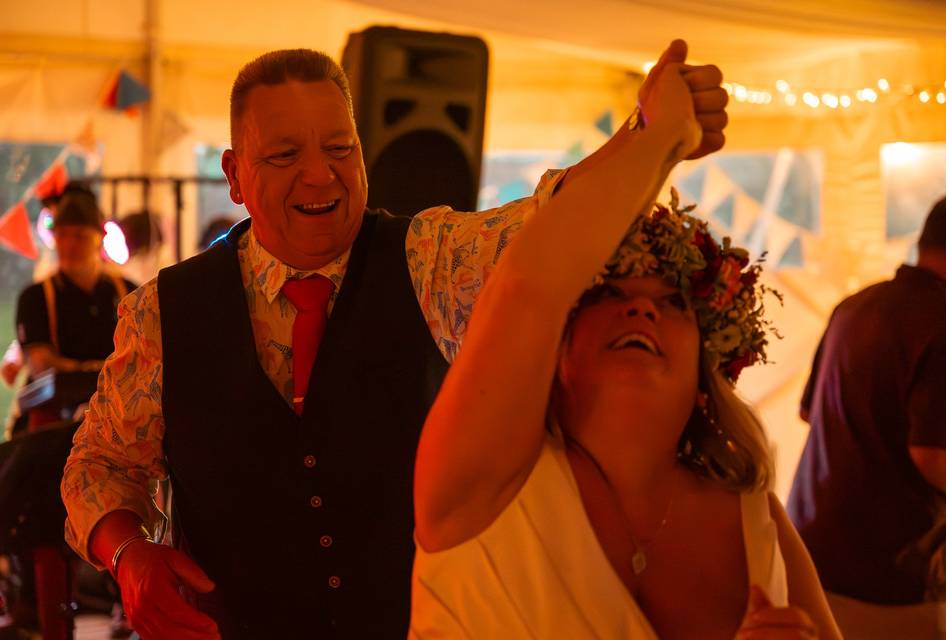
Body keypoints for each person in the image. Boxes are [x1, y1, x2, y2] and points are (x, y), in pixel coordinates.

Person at [61, 41, 729, 639]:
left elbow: (547, 224)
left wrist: (650, 139)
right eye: (286, 155)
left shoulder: (430, 259)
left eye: (340, 148)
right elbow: (100, 465)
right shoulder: (161, 314)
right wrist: (127, 555)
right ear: (234, 176)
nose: (321, 176)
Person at [409, 58, 840, 638]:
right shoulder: (480, 482)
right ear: (554, 340)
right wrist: (658, 137)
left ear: (707, 364)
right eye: (609, 292)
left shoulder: (755, 516)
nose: (641, 309)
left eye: (673, 302)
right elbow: (525, 286)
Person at [787, 193, 946, 638]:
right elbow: (936, 460)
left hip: (808, 563)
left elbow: (810, 413)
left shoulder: (855, 305)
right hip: (889, 584)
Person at [11, 186, 135, 639]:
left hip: (120, 426)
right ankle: (33, 605)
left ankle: (131, 604)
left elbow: (145, 361)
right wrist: (100, 369)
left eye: (79, 235)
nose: (69, 245)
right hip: (54, 428)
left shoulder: (130, 292)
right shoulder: (35, 297)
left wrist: (86, 371)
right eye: (62, 235)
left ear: (97, 237)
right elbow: (42, 365)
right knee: (36, 506)